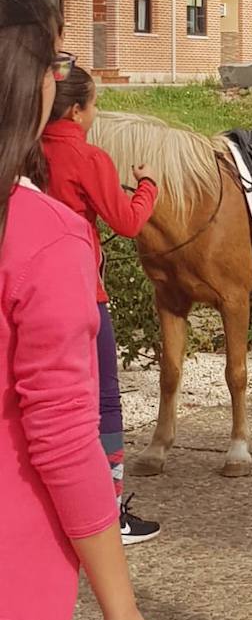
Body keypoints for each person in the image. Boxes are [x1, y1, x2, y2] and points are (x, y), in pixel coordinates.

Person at [0, 0, 166, 620]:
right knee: (98, 418)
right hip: (3, 568)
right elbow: (54, 438)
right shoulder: (43, 231)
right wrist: (121, 611)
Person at [41, 66, 161, 544]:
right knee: (104, 404)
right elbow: (128, 222)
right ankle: (109, 514)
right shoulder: (86, 156)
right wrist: (147, 185)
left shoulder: (26, 151)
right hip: (82, 297)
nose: (96, 113)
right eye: (93, 105)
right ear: (76, 109)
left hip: (29, 295)